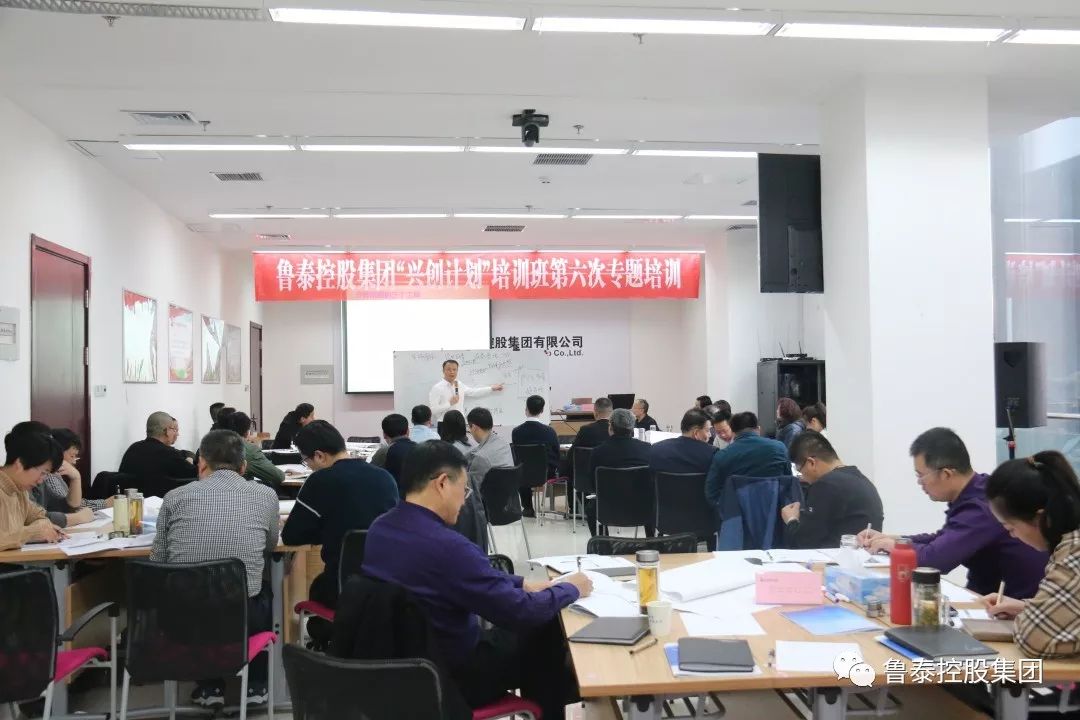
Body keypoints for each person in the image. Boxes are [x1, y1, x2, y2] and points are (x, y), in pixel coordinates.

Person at [362, 441, 592, 720]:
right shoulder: (448, 546)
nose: (464, 501)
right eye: (464, 490)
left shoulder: (380, 529)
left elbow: (462, 576)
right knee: (544, 630)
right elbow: (520, 611)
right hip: (453, 677)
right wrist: (571, 588)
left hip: (401, 666)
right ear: (443, 483)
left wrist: (520, 583)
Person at [150, 430, 278, 707]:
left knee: (195, 595)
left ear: (201, 463)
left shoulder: (174, 497)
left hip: (185, 615)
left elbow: (158, 559)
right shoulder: (266, 495)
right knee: (264, 590)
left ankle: (210, 687)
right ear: (244, 466)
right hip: (243, 612)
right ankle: (256, 684)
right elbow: (269, 546)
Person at [858, 427, 1048, 599]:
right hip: (988, 598)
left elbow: (936, 560)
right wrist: (893, 540)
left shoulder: (981, 507)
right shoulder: (978, 489)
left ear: (946, 474)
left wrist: (895, 546)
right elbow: (942, 539)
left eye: (921, 476)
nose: (919, 483)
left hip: (1012, 606)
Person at [283, 420, 398, 611]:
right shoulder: (385, 478)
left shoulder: (320, 481)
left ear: (319, 456)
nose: (308, 466)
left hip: (341, 589)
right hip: (388, 587)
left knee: (317, 586)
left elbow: (291, 536)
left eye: (306, 461)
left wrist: (324, 529)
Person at [981, 451, 1080, 658]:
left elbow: (1033, 640)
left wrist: (1030, 616)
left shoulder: (1074, 552)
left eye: (1010, 528)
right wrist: (1028, 608)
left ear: (1040, 518)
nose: (1013, 536)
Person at [780, 432, 883, 548]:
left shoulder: (825, 485)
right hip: (864, 554)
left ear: (811, 463)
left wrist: (791, 520)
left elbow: (803, 542)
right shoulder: (864, 481)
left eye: (800, 471)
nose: (802, 477)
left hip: (836, 556)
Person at [705, 411, 791, 509]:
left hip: (739, 514)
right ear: (758, 429)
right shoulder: (780, 448)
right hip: (775, 510)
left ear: (733, 432)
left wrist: (730, 509)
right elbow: (789, 481)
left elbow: (711, 494)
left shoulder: (722, 456)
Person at [587, 408, 653, 537]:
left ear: (610, 427)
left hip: (608, 508)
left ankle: (602, 543)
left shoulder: (598, 452)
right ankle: (652, 541)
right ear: (632, 427)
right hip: (643, 508)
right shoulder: (647, 449)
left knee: (591, 508)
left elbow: (593, 485)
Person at [31, 428, 110, 529]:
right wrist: (104, 504)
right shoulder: (49, 476)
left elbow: (68, 505)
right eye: (72, 456)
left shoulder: (49, 477)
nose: (74, 462)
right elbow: (67, 511)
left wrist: (76, 478)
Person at [1, 428, 63, 550]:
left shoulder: (20, 491)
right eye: (43, 473)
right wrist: (32, 533)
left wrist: (43, 528)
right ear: (20, 464)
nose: (41, 481)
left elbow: (40, 515)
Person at [119, 412, 197, 496]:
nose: (176, 433)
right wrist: (190, 461)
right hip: (160, 502)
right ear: (167, 431)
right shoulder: (169, 454)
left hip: (130, 501)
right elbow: (196, 473)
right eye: (173, 429)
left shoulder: (133, 448)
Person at [511, 395, 560, 517]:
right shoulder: (550, 431)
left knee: (522, 467)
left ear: (526, 409)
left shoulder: (516, 432)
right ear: (542, 410)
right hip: (546, 473)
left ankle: (527, 507)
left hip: (524, 473)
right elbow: (556, 452)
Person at [221, 412, 284, 490]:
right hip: (239, 494)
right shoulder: (250, 450)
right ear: (247, 432)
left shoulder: (212, 445)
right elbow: (278, 476)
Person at [428, 359, 503, 423]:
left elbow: (473, 392)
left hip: (460, 421)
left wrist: (491, 388)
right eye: (449, 369)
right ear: (443, 371)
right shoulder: (437, 388)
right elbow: (433, 410)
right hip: (444, 422)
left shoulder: (459, 384)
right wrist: (449, 404)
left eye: (454, 369)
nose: (452, 372)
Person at [650, 409, 718, 475]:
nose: (710, 434)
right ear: (696, 433)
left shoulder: (655, 449)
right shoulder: (712, 454)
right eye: (707, 430)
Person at [561, 396, 613, 481]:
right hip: (611, 476)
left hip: (587, 478)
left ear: (595, 412)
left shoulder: (586, 429)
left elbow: (572, 454)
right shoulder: (616, 430)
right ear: (612, 413)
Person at [465, 408, 514, 491]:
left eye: (469, 427)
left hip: (488, 497)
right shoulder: (504, 444)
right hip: (510, 496)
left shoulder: (480, 458)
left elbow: (472, 490)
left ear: (474, 427)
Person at [370, 414, 416, 492]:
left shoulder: (384, 451)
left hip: (393, 495)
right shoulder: (420, 448)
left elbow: (370, 473)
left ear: (384, 434)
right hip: (418, 495)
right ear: (408, 431)